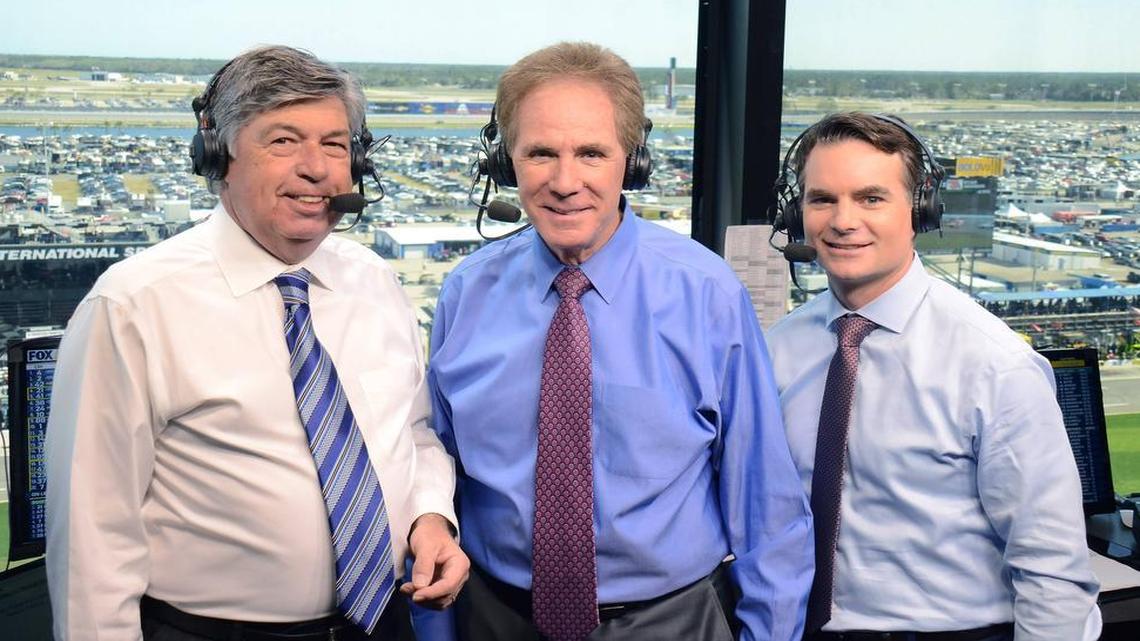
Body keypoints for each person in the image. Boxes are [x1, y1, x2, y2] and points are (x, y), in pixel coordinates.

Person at [46, 45, 468, 641]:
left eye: (335, 144)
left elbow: (413, 434)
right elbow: (91, 539)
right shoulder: (133, 305)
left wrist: (431, 517)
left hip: (383, 622)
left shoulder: (374, 280)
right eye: (283, 141)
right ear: (218, 156)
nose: (317, 168)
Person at [427, 42, 812, 641]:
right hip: (494, 616)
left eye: (591, 153)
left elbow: (765, 501)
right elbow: (434, 471)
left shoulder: (706, 293)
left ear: (630, 161)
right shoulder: (465, 294)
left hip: (671, 619)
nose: (564, 181)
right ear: (507, 163)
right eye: (539, 153)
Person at [765, 112, 1101, 641]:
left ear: (918, 210)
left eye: (871, 198)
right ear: (796, 211)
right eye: (822, 199)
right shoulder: (779, 349)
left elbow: (1052, 571)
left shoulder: (994, 365)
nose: (843, 221)